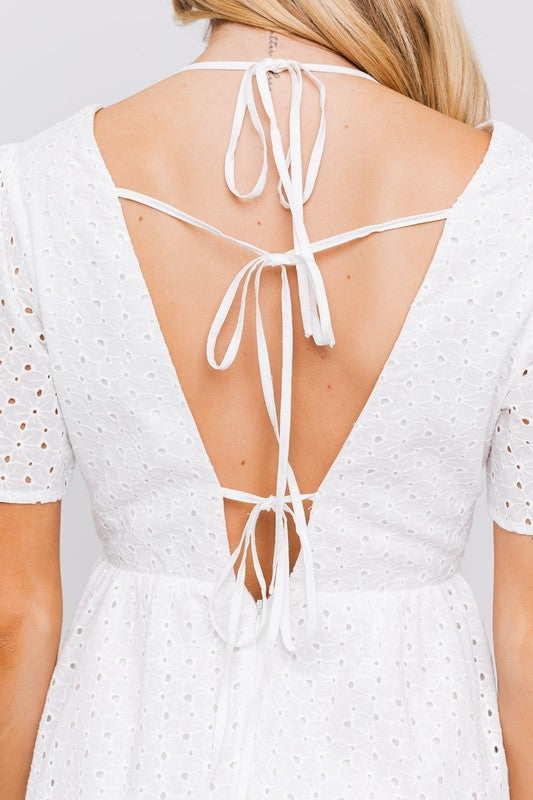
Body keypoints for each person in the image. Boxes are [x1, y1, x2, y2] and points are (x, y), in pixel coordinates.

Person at [1, 1, 532, 798]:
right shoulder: (514, 206)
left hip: (127, 759)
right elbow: (526, 633)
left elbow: (14, 614)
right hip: (411, 761)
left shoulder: (34, 193)